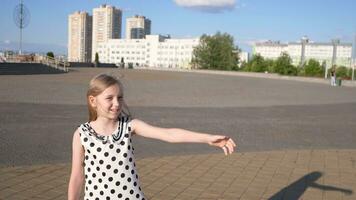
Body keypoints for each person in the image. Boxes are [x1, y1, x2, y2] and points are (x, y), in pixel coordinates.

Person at [68, 73, 236, 200]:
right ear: (93, 101)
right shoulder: (82, 134)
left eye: (120, 97)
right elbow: (77, 176)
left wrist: (207, 138)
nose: (117, 104)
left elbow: (169, 134)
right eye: (109, 98)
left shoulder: (129, 126)